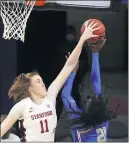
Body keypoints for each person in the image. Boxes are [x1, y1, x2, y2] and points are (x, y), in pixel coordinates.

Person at [0, 21, 100, 142]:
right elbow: (3, 129)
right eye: (38, 82)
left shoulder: (50, 96)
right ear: (29, 88)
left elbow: (69, 66)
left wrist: (82, 39)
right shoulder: (21, 106)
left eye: (41, 81)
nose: (43, 84)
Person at [61, 38, 117, 142]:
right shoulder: (102, 118)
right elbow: (96, 83)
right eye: (91, 98)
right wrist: (95, 53)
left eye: (88, 101)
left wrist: (72, 71)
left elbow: (65, 95)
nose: (88, 98)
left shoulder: (78, 121)